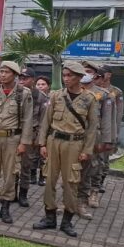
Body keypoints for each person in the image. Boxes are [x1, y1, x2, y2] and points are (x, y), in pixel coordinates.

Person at [33, 62, 98, 237]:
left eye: (70, 76)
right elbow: (46, 121)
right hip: (54, 141)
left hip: (74, 144)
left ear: (79, 77)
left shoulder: (89, 98)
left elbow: (92, 127)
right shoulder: (56, 95)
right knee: (50, 180)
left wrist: (87, 150)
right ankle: (49, 217)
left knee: (71, 182)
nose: (66, 79)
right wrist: (42, 144)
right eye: (65, 75)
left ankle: (67, 221)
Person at [0, 61, 33, 224]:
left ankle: (6, 207)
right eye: (1, 72)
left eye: (6, 72)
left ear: (15, 75)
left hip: (13, 139)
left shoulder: (23, 93)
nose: (2, 75)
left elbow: (27, 120)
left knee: (10, 174)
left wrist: (24, 143)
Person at [77, 61, 115, 217]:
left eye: (88, 71)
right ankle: (69, 199)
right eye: (83, 71)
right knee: (72, 169)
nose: (85, 74)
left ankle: (83, 200)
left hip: (94, 137)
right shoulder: (73, 92)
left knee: (91, 168)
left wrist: (107, 140)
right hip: (75, 136)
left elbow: (107, 120)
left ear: (95, 75)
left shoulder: (103, 95)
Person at [17, 68, 48, 207]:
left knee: (26, 166)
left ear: (33, 80)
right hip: (15, 133)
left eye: (26, 78)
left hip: (31, 134)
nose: (22, 80)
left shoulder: (40, 97)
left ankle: (23, 194)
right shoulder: (15, 93)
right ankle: (10, 193)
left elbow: (43, 120)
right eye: (21, 78)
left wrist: (40, 140)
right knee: (11, 166)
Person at [99, 65, 124, 193]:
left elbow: (119, 114)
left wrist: (115, 133)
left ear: (109, 75)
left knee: (104, 158)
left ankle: (101, 182)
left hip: (109, 128)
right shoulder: (93, 88)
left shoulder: (116, 91)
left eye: (104, 73)